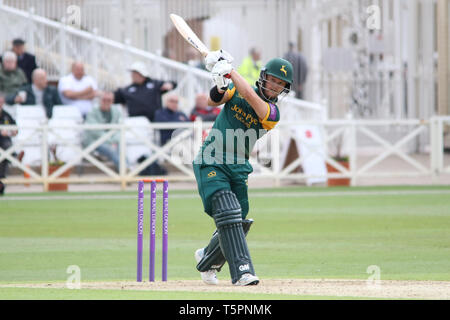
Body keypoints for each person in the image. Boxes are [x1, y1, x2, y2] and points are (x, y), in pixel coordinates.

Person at [192, 50, 293, 286]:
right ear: (264, 77)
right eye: (273, 80)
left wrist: (229, 69)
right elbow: (213, 100)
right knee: (228, 211)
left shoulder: (273, 114)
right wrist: (219, 81)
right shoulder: (236, 88)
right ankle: (242, 272)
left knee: (239, 220)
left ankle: (207, 259)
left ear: (284, 89)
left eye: (281, 84)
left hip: (238, 166)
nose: (275, 86)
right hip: (212, 158)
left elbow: (249, 94)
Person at [83, 92, 122, 172]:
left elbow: (120, 128)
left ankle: (124, 170)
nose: (107, 102)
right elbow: (95, 131)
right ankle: (124, 170)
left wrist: (113, 140)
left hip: (112, 141)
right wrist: (110, 140)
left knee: (121, 148)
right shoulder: (92, 112)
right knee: (111, 149)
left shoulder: (116, 111)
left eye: (109, 100)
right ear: (100, 100)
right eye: (104, 100)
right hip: (95, 141)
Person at [0, 93, 19, 195]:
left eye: (1, 102)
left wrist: (12, 132)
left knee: (6, 150)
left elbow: (15, 129)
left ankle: (14, 156)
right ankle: (15, 157)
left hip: (5, 142)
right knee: (6, 152)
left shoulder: (6, 115)